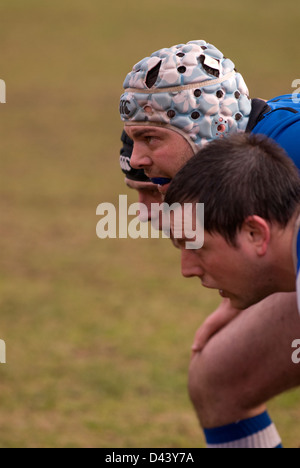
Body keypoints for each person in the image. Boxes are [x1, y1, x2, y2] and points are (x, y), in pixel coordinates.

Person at [119, 40, 300, 448]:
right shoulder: (260, 149)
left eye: (150, 139)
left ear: (208, 128)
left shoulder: (288, 148)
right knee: (221, 379)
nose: (138, 160)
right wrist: (235, 301)